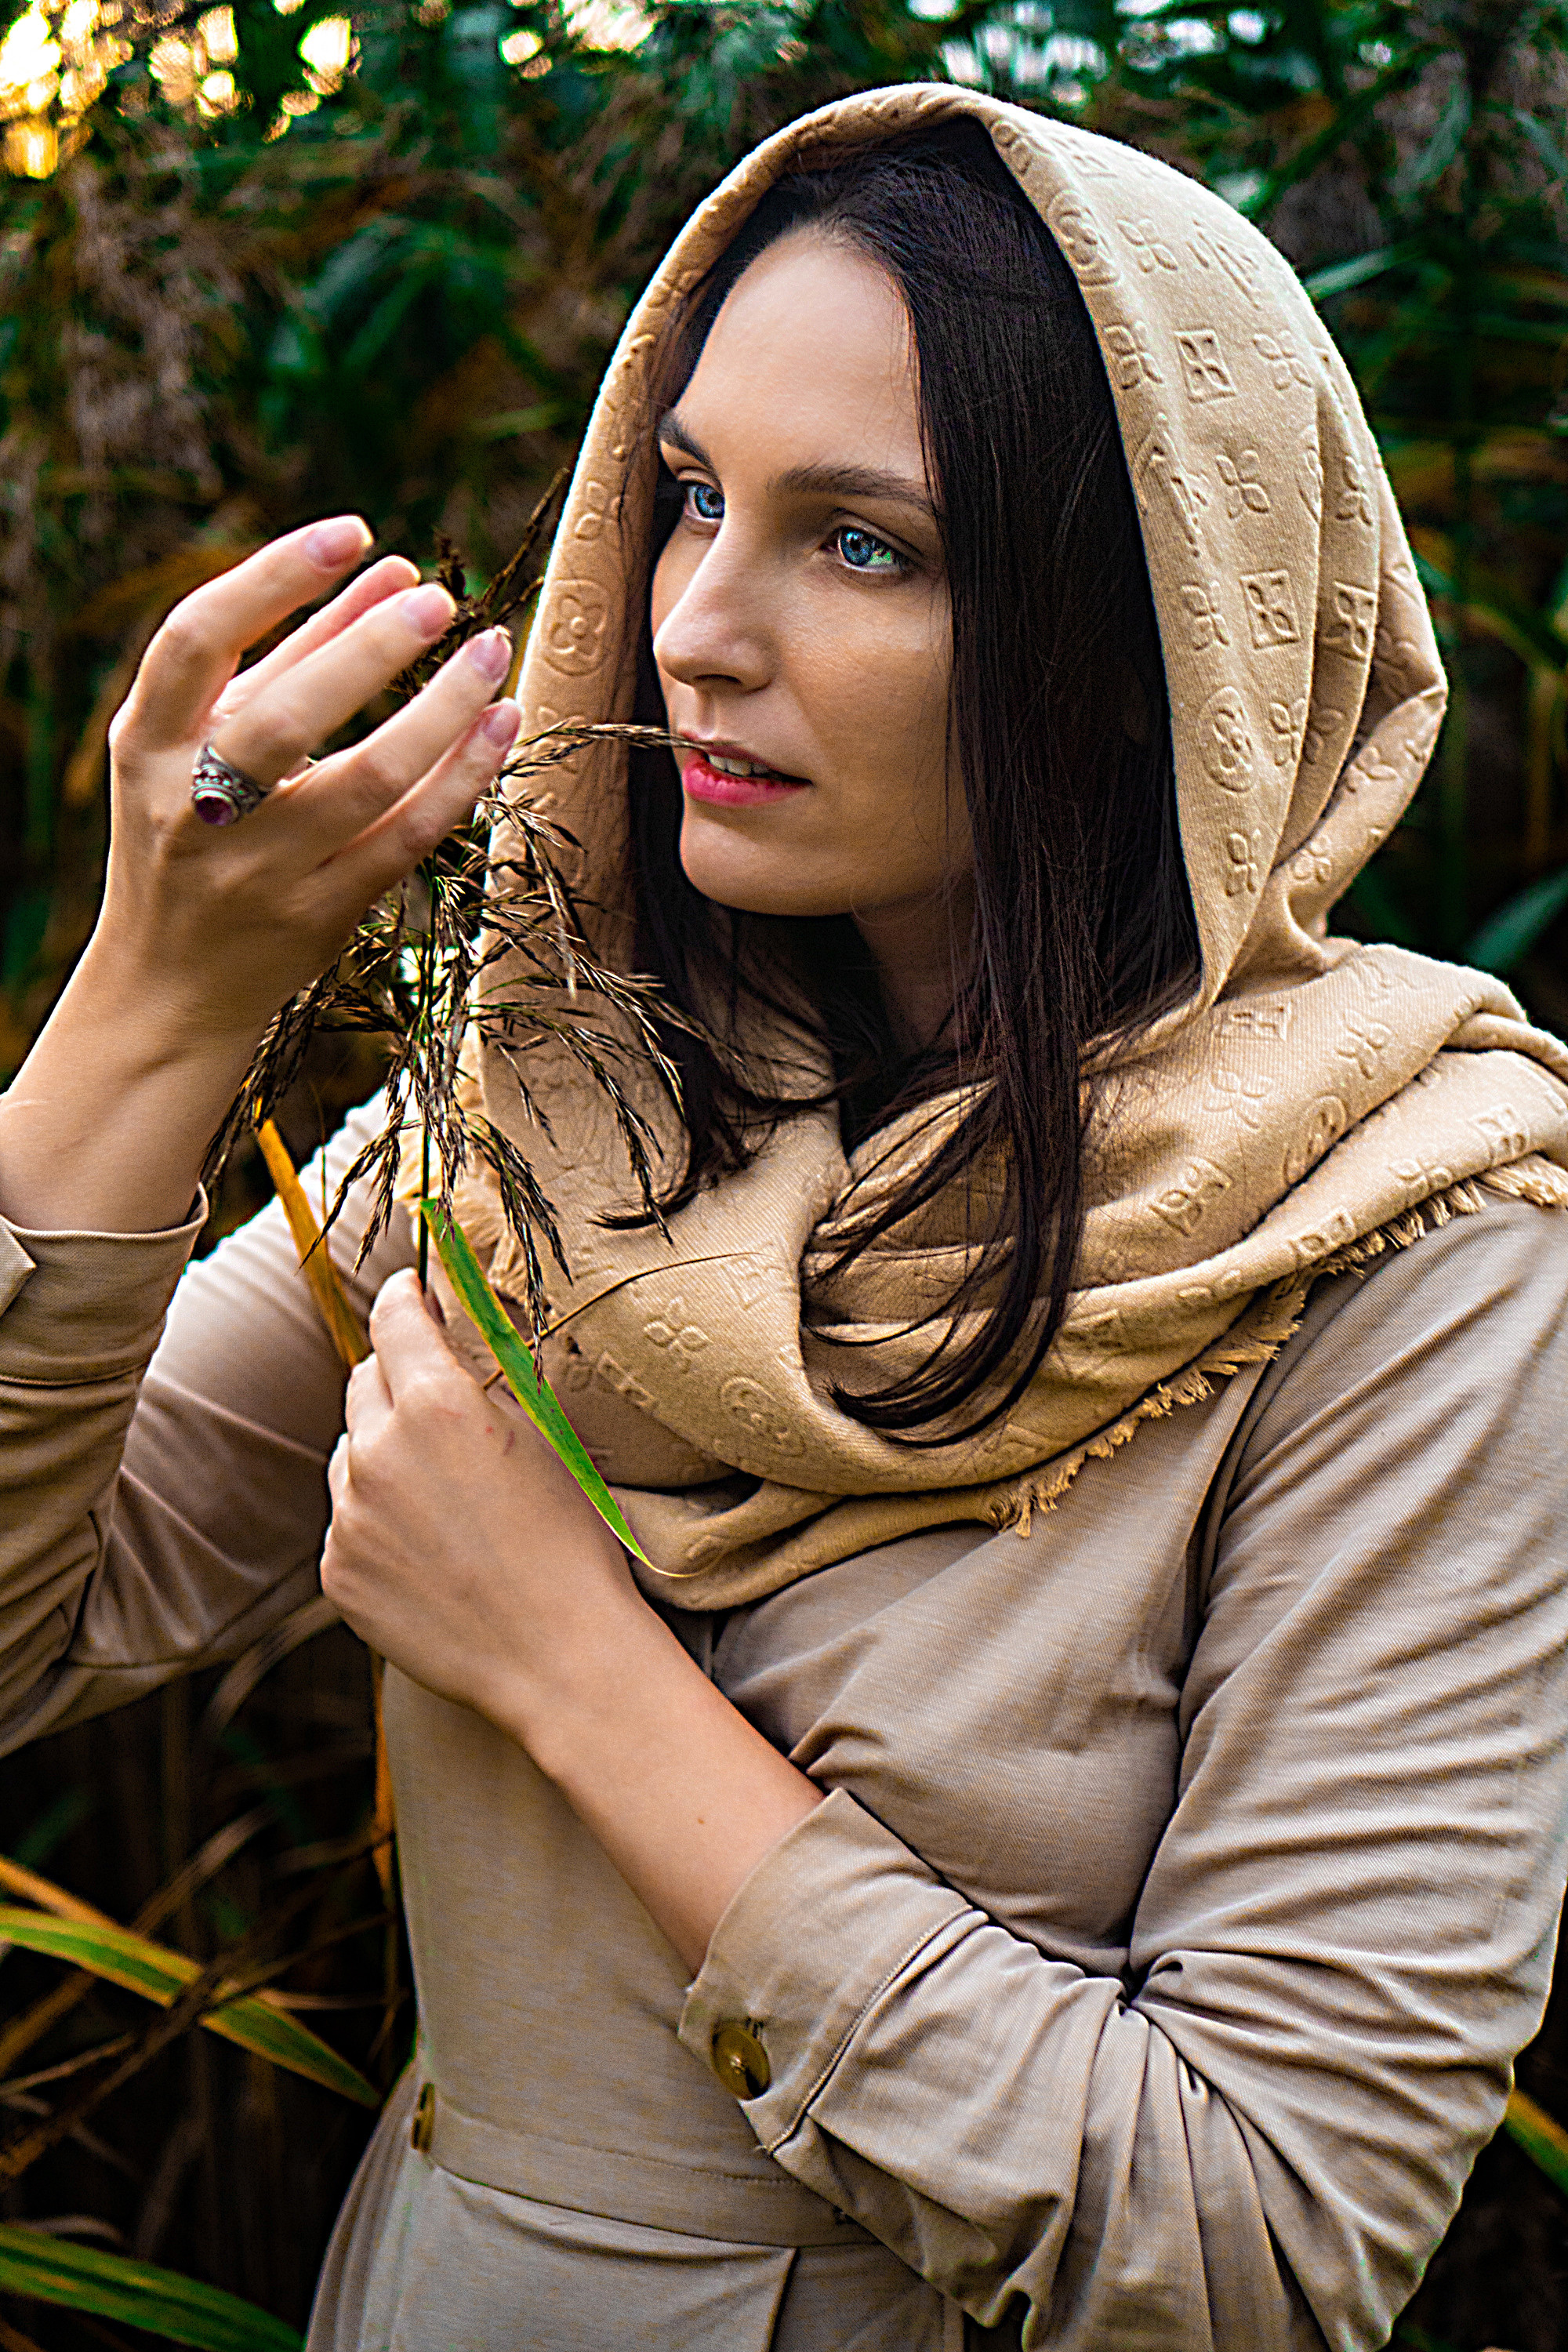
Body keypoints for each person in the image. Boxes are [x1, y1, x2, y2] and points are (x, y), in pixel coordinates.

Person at [2, 82, 1568, 2352]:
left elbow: (1253, 2248)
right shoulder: (563, 1092)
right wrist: (154, 1000)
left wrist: (572, 1665)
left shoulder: (1410, 1259)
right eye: (694, 500)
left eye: (867, 545)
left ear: (1158, 652)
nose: (694, 630)